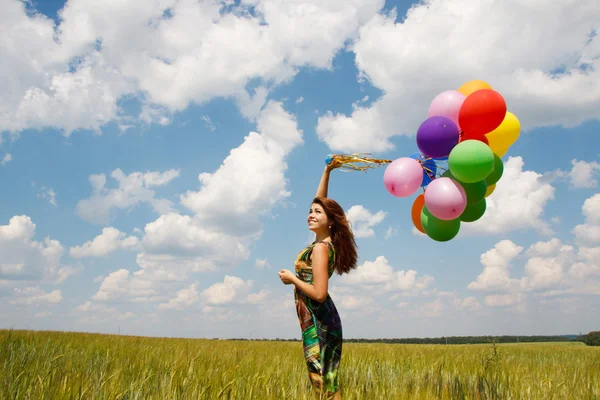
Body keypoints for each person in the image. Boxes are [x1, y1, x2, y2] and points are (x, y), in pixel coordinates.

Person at [278, 162, 358, 400]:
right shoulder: (325, 242)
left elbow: (319, 293)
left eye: (317, 212)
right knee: (325, 383)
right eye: (310, 211)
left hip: (320, 322)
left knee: (325, 384)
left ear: (330, 221)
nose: (311, 215)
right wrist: (327, 171)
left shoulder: (322, 249)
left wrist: (292, 279)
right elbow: (321, 202)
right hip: (318, 320)